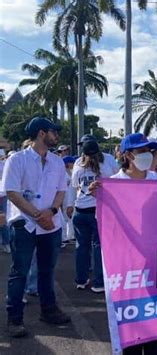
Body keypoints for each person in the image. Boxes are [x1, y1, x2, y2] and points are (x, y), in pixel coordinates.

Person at [89, 133, 157, 354]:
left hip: (152, 259)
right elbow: (106, 226)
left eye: (149, 151)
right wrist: (100, 195)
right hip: (126, 264)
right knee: (130, 318)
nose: (148, 155)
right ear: (129, 155)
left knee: (152, 318)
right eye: (142, 152)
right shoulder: (113, 184)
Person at [1, 116, 70, 338]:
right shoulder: (17, 160)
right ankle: (15, 318)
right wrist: (37, 215)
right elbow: (12, 192)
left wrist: (51, 212)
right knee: (19, 272)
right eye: (53, 131)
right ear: (42, 133)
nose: (56, 135)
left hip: (51, 224)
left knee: (47, 271)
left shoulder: (57, 161)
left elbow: (61, 190)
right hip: (24, 224)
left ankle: (49, 310)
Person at [71, 139, 115, 293]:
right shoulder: (107, 165)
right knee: (98, 247)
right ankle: (98, 282)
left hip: (80, 209)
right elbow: (115, 183)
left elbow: (75, 186)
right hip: (99, 210)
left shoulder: (78, 166)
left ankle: (81, 280)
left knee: (81, 247)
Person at [61, 156, 76, 248]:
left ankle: (69, 236)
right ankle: (65, 237)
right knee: (65, 218)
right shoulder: (63, 174)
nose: (73, 164)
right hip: (64, 198)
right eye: (71, 162)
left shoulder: (70, 173)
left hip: (70, 197)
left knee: (69, 218)